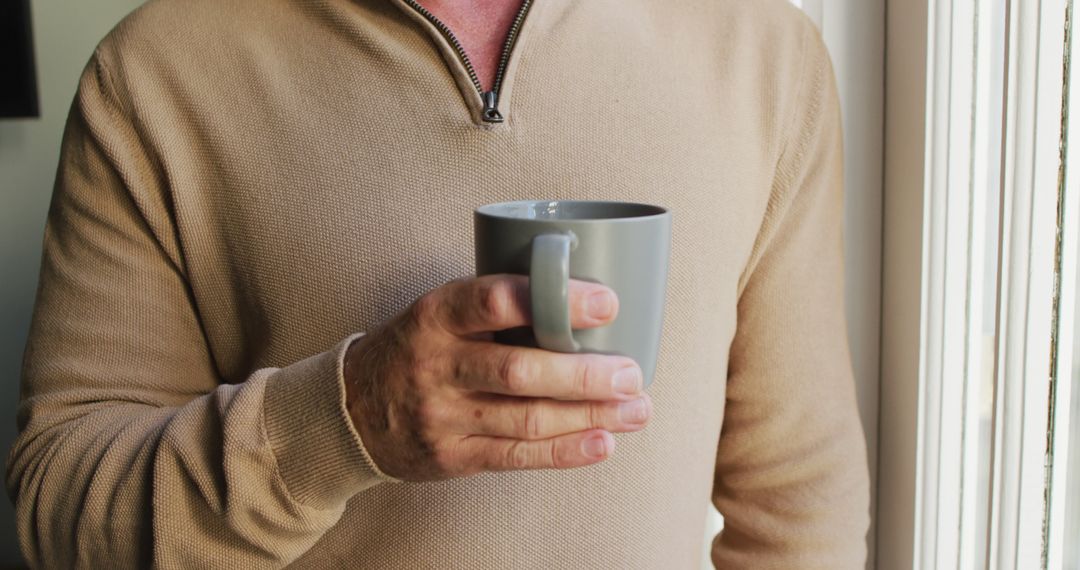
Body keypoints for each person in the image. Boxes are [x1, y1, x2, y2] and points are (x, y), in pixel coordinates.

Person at [5, 0, 871, 567]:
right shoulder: (155, 72)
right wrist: (345, 423)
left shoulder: (762, 50)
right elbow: (59, 509)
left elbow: (798, 498)